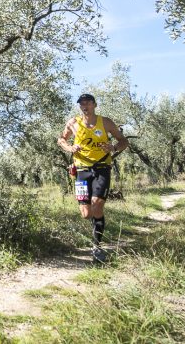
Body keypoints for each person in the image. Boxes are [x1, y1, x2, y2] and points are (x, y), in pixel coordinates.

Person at [57, 93, 128, 262]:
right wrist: (70, 148)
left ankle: (97, 246)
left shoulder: (106, 122)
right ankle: (95, 225)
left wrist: (113, 147)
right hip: (81, 170)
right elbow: (61, 139)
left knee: (97, 205)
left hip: (102, 167)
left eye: (88, 103)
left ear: (94, 105)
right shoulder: (73, 123)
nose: (84, 106)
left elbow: (123, 141)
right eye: (82, 103)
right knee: (86, 213)